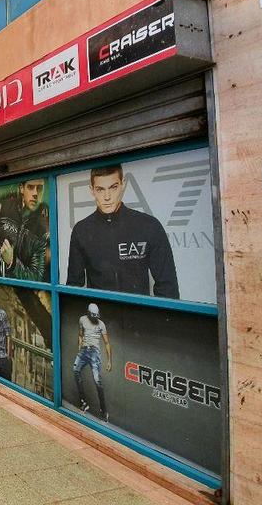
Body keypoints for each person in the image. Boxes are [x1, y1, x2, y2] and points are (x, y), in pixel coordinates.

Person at [66, 165, 179, 298]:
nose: (107, 197)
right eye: (100, 189)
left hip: (139, 311)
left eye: (113, 187)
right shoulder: (81, 230)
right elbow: (73, 288)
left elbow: (168, 288)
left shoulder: (149, 225)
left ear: (122, 184)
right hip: (99, 311)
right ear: (92, 190)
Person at [73, 302, 112, 421]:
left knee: (97, 380)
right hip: (84, 350)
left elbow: (106, 343)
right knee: (75, 370)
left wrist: (109, 360)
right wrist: (79, 345)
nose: (95, 318)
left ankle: (103, 411)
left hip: (95, 353)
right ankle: (83, 402)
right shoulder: (82, 319)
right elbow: (80, 334)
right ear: (89, 314)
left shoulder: (101, 324)